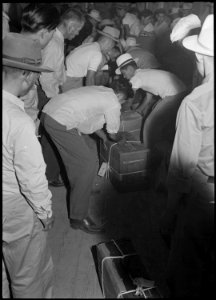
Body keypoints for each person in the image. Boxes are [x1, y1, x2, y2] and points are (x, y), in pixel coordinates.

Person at [160, 14, 214, 297]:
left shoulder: (196, 102)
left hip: (206, 194)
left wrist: (169, 213)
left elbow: (182, 171)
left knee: (186, 268)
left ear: (201, 58)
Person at [41, 80, 131, 234]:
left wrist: (103, 137)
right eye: (123, 101)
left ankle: (63, 182)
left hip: (48, 112)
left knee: (73, 153)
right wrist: (120, 137)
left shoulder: (101, 90)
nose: (122, 104)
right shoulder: (113, 102)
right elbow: (113, 133)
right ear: (120, 96)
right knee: (86, 164)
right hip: (59, 121)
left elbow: (87, 122)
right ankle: (78, 217)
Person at [3, 33, 54, 298]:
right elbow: (31, 177)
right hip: (14, 206)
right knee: (29, 274)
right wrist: (45, 211)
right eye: (34, 74)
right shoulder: (19, 121)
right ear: (27, 75)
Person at [62, 26, 120, 91]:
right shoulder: (97, 54)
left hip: (65, 75)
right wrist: (92, 93)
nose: (109, 50)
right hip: (70, 80)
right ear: (108, 43)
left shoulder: (89, 45)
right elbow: (90, 78)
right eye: (111, 46)